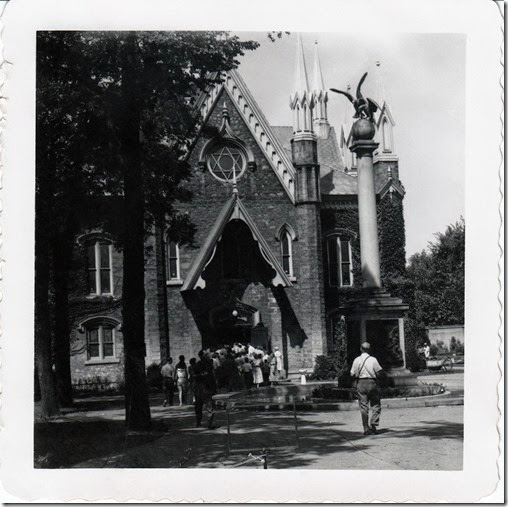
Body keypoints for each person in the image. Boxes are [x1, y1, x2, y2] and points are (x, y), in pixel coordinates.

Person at [350, 342, 383, 436]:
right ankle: (373, 425)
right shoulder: (373, 359)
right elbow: (379, 372)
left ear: (361, 349)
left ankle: (365, 428)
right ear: (369, 349)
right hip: (372, 382)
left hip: (361, 383)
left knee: (363, 406)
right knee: (376, 404)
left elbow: (352, 374)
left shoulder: (356, 360)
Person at [193, 350, 217, 428]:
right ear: (201, 356)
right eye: (205, 355)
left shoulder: (210, 364)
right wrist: (201, 375)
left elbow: (212, 377)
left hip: (206, 388)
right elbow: (194, 376)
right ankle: (198, 422)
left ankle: (209, 423)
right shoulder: (197, 365)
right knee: (199, 407)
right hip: (201, 388)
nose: (207, 356)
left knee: (209, 406)